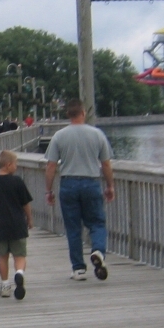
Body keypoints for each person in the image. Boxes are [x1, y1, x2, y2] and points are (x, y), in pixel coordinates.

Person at [44, 98, 115, 282]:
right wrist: (109, 186)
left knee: (73, 228)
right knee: (97, 223)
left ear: (68, 114)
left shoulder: (59, 136)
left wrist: (48, 190)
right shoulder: (97, 134)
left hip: (68, 184)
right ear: (83, 113)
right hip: (91, 182)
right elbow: (106, 164)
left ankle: (78, 268)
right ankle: (98, 250)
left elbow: (51, 166)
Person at [0, 151, 34, 299]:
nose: (16, 167)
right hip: (17, 224)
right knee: (20, 255)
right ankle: (19, 273)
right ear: (9, 165)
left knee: (2, 256)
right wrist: (29, 219)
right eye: (15, 164)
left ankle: (5, 284)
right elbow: (25, 204)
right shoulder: (17, 181)